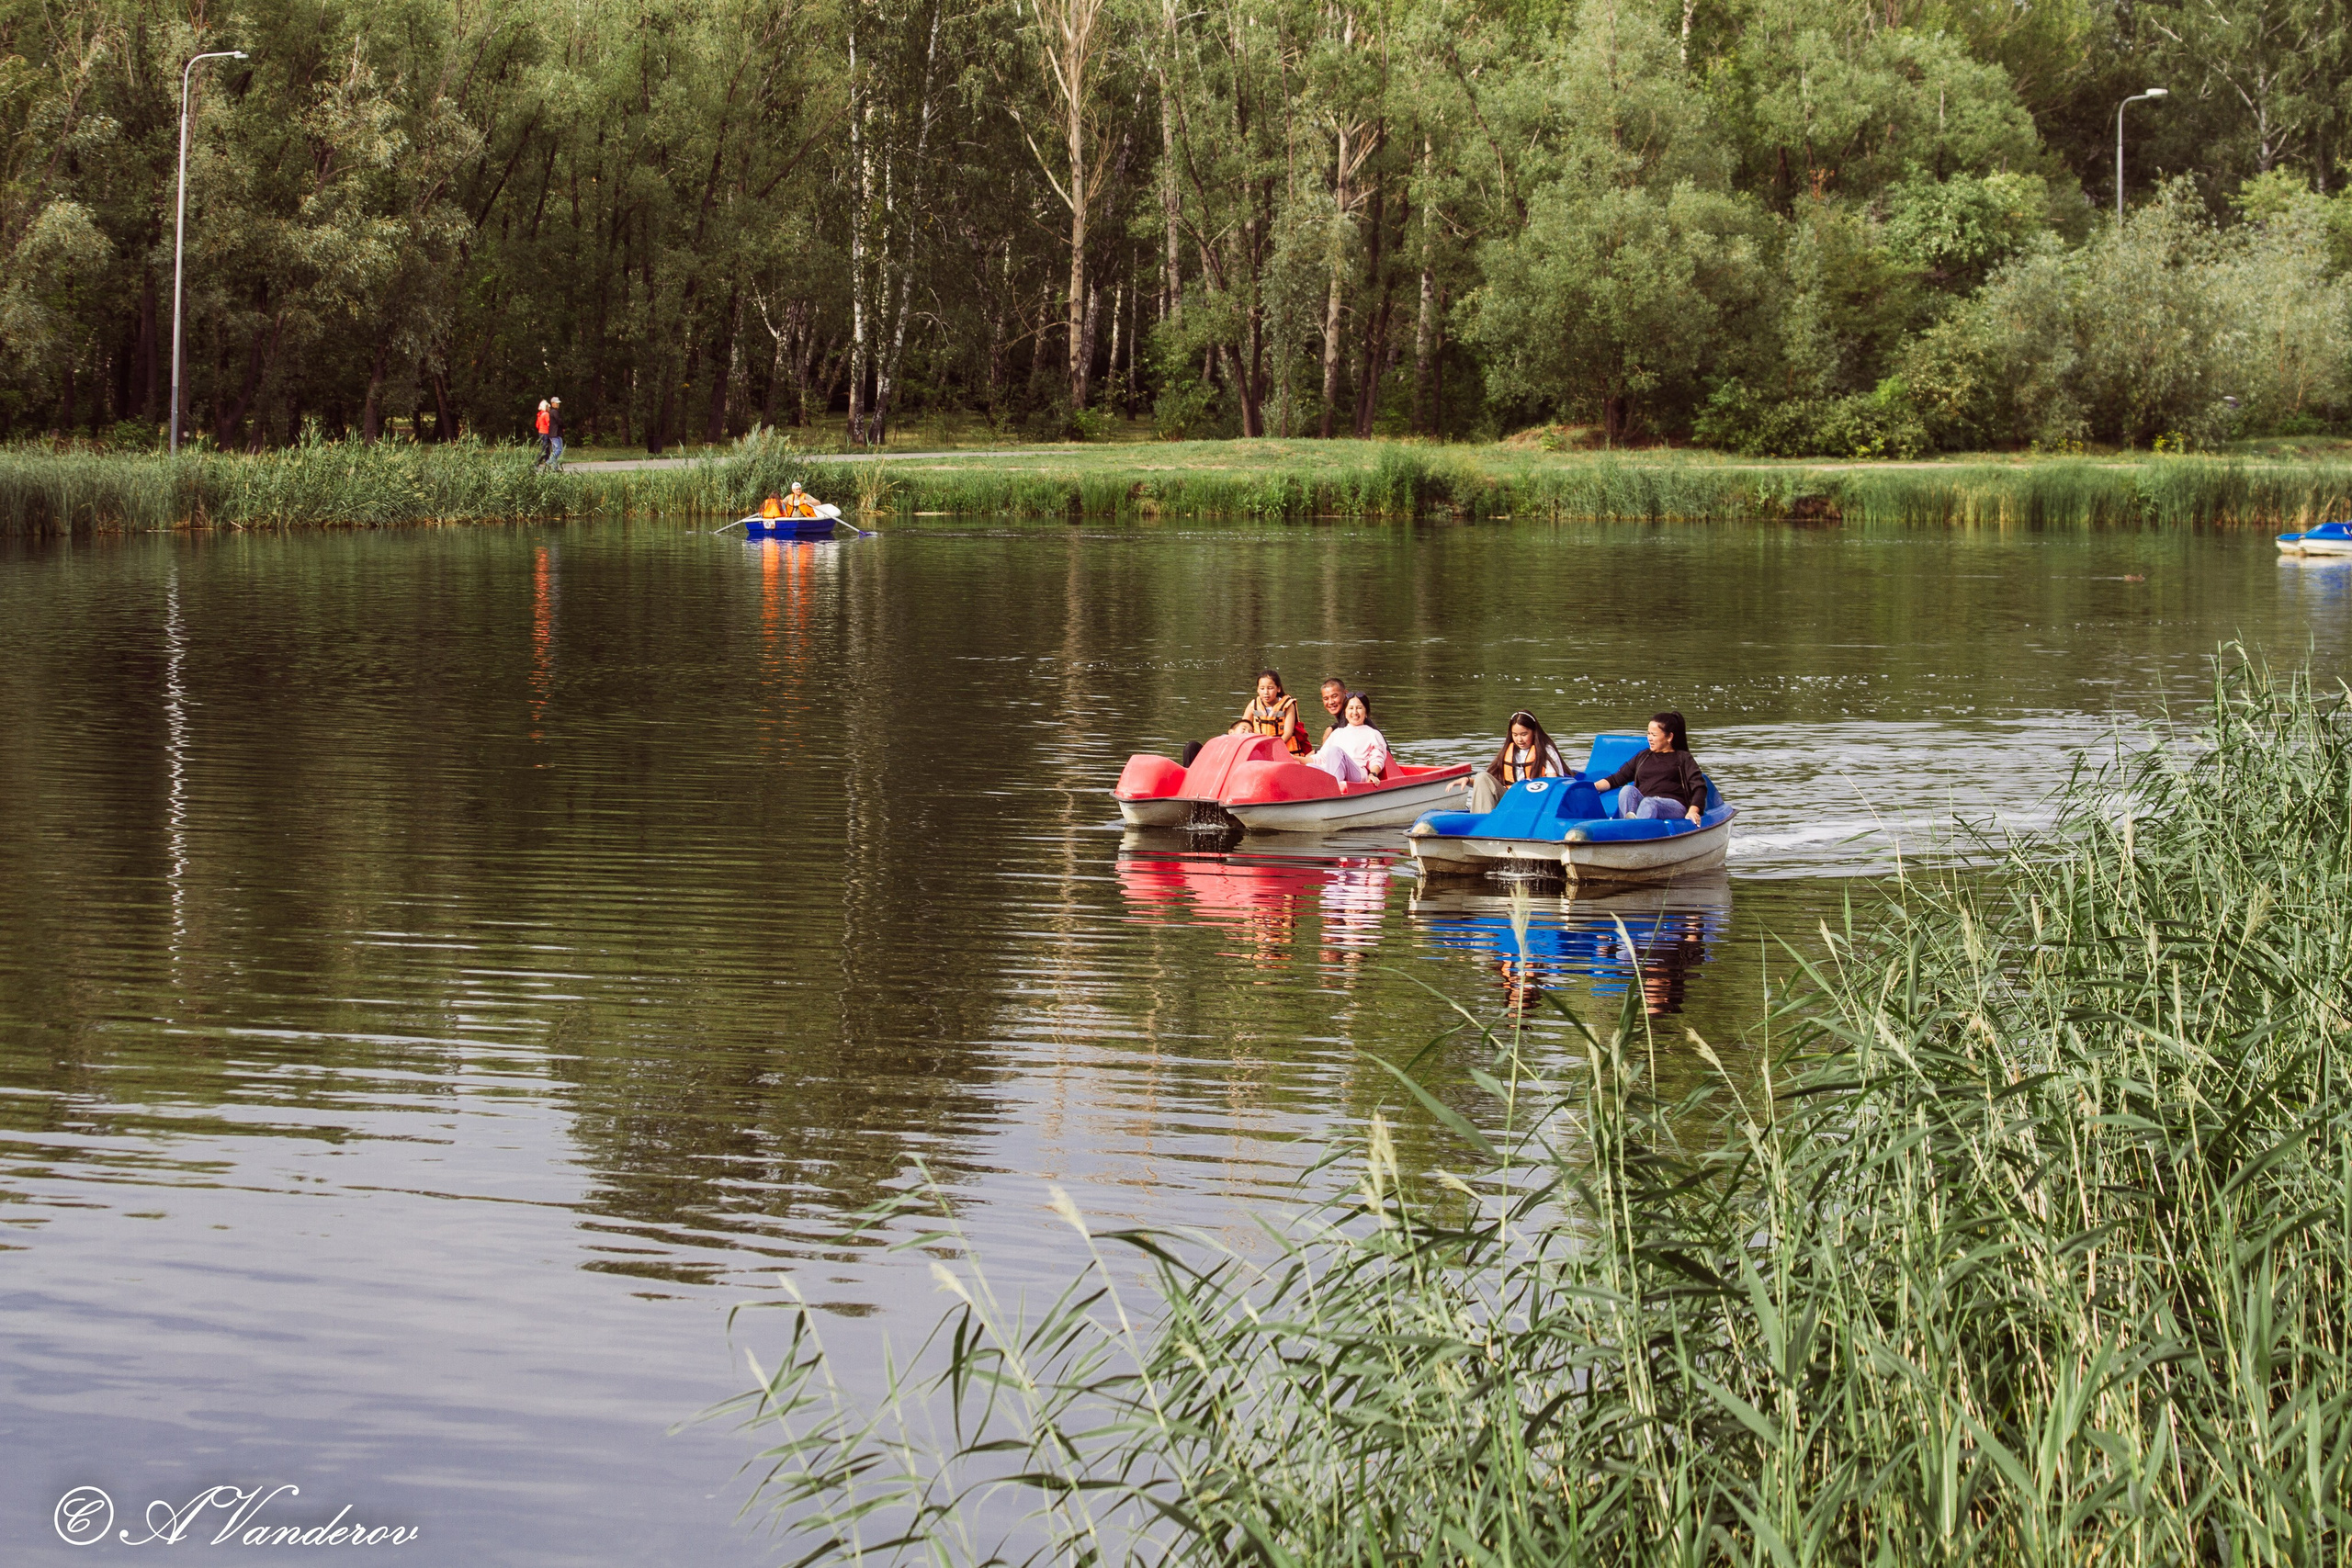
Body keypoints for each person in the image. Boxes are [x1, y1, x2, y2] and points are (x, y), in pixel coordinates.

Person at [1598, 710, 1709, 823]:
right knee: (1627, 790)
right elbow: (1617, 778)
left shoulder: (1683, 758)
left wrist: (1693, 811)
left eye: (1654, 735)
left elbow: (1699, 787)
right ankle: (1628, 826)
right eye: (1648, 733)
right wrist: (1592, 787)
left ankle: (1637, 831)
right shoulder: (1643, 756)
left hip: (1673, 807)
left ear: (1669, 737)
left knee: (1649, 802)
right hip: (1645, 807)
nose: (1649, 738)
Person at [1470, 709, 1568, 812]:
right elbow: (1488, 783)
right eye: (1515, 735)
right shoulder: (1508, 751)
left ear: (1534, 732)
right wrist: (1468, 780)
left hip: (1536, 803)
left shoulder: (1546, 751)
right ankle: (1483, 821)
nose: (1519, 740)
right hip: (1511, 802)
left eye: (1524, 734)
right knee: (1482, 776)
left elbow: (1553, 783)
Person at [1311, 692, 1390, 785]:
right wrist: (1296, 759)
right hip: (1333, 770)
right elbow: (1321, 757)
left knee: (1335, 751)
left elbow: (1377, 757)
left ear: (1366, 712)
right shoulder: (1337, 733)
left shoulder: (1372, 733)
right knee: (1310, 768)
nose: (1354, 712)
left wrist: (1373, 774)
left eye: (1359, 708)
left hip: (1358, 773)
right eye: (1351, 708)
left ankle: (1333, 790)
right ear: (1345, 712)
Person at [1230, 670, 1312, 758]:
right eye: (1262, 688)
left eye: (1270, 688)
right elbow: (1243, 725)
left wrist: (1273, 747)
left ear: (1278, 689)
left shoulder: (1288, 705)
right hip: (1259, 749)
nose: (1266, 692)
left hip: (1283, 749)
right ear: (1257, 690)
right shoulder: (1253, 705)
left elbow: (1288, 733)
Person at [1316, 676, 1349, 747]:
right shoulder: (1343, 716)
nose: (1330, 702)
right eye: (1326, 698)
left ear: (1345, 694)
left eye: (1334, 696)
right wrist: (1333, 727)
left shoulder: (1350, 715)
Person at [545, 398, 564, 469]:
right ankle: (549, 462)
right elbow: (559, 421)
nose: (558, 405)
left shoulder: (551, 412)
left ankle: (555, 468)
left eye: (558, 403)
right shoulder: (554, 412)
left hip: (553, 434)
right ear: (552, 403)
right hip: (555, 434)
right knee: (559, 449)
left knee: (555, 450)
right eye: (557, 403)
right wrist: (563, 426)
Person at [533, 400, 550, 467]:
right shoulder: (546, 414)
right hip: (546, 433)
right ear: (545, 407)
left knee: (547, 448)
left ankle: (548, 462)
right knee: (544, 448)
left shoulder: (540, 414)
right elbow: (549, 424)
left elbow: (537, 425)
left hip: (541, 433)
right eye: (548, 407)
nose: (549, 408)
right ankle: (537, 462)